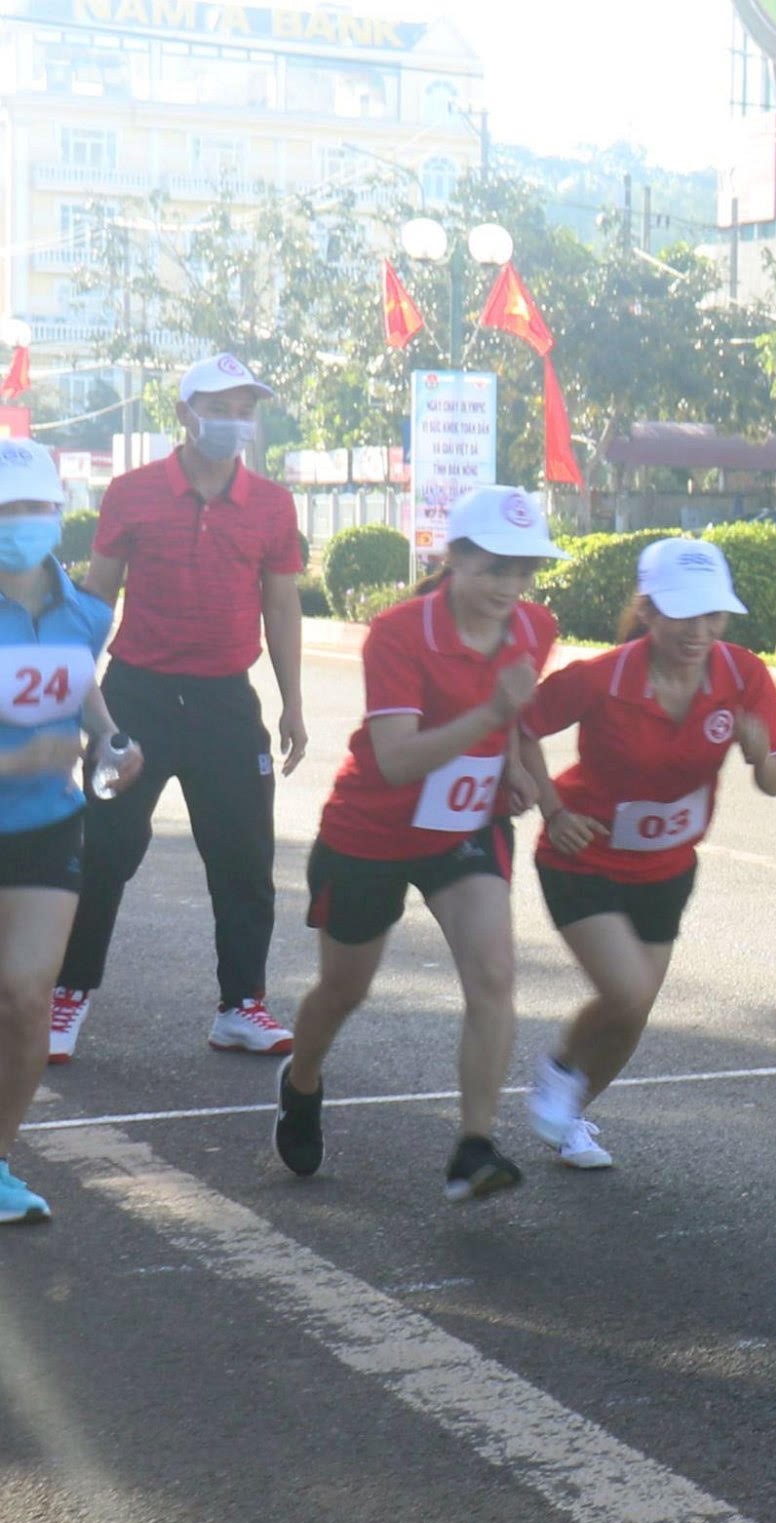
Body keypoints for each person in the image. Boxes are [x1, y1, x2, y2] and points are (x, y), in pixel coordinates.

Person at [275, 484, 565, 1198]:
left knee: (494, 973)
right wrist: (493, 715)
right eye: (494, 568)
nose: (510, 586)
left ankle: (475, 1145)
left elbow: (513, 717)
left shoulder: (535, 627)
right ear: (453, 559)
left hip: (464, 827)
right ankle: (301, 1079)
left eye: (524, 569)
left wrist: (517, 767)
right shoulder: (399, 633)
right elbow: (398, 759)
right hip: (370, 830)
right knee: (344, 989)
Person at [57, 350, 308, 1062]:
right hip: (136, 697)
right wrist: (76, 698)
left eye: (244, 410)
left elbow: (280, 605)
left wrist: (292, 704)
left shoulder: (272, 505)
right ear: (184, 414)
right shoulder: (132, 493)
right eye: (219, 408)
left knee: (244, 858)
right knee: (106, 850)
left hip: (226, 702)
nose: (233, 421)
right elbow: (97, 597)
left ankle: (241, 1005)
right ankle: (68, 993)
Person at [514, 536, 776, 1171]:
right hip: (583, 857)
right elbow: (521, 725)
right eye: (682, 614)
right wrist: (553, 809)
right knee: (628, 992)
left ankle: (572, 1115)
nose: (699, 631)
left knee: (633, 1015)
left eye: (712, 615)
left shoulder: (741, 674)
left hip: (667, 867)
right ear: (648, 610)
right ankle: (559, 1070)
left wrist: (759, 753)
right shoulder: (604, 676)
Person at [0, 438, 131, 1227]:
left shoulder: (85, 612)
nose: (24, 521)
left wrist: (111, 741)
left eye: (37, 507)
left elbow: (83, 693)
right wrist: (16, 760)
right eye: (8, 509)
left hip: (49, 827)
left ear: (59, 513)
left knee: (25, 998)